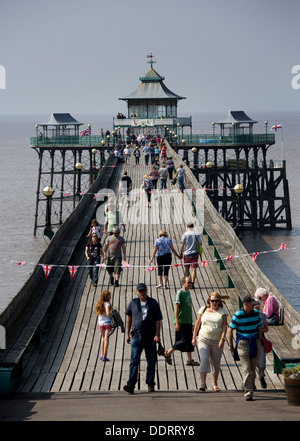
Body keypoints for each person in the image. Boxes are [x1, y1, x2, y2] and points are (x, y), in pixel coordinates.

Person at [123, 282, 162, 394]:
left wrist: (157, 334)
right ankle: (131, 384)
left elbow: (158, 319)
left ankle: (150, 384)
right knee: (134, 361)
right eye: (140, 291)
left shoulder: (153, 303)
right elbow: (129, 318)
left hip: (150, 337)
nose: (142, 293)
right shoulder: (133, 303)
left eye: (143, 291)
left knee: (151, 361)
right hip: (136, 335)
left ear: (146, 291)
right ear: (137, 292)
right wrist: (127, 334)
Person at [228, 294, 262, 401]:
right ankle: (248, 391)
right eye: (252, 305)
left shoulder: (256, 313)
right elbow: (230, 329)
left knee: (252, 368)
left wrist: (259, 340)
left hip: (254, 341)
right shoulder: (238, 315)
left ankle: (246, 384)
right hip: (242, 342)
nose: (254, 306)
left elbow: (259, 327)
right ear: (245, 304)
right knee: (246, 368)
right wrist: (231, 345)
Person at [192, 292, 229, 392]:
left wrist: (222, 339)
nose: (214, 303)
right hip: (203, 338)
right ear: (209, 301)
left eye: (216, 301)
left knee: (215, 363)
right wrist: (194, 337)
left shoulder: (223, 312)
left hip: (217, 340)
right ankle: (202, 384)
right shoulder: (203, 309)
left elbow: (225, 326)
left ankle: (214, 383)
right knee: (204, 359)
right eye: (212, 301)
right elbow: (197, 323)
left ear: (219, 302)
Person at [164, 276, 200, 367]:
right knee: (182, 340)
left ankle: (189, 359)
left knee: (189, 340)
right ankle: (168, 352)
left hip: (188, 320)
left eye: (191, 282)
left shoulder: (188, 293)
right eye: (188, 282)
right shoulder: (179, 293)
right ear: (183, 283)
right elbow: (176, 308)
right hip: (181, 321)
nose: (190, 284)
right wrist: (176, 322)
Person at [180, 222, 202, 289]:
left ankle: (187, 283)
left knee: (186, 268)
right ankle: (192, 283)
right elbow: (200, 244)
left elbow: (182, 245)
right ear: (193, 227)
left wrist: (181, 253)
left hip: (187, 254)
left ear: (187, 227)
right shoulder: (196, 234)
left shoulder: (185, 234)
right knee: (194, 269)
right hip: (195, 253)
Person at [254, 299, 269, 389]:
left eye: (259, 305)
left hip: (260, 340)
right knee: (251, 362)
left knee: (262, 362)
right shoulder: (248, 315)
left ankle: (261, 376)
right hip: (250, 340)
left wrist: (260, 330)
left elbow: (266, 329)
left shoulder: (263, 316)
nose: (257, 306)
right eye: (255, 305)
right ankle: (252, 382)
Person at [94, 290, 112, 361]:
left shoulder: (99, 304)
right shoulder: (107, 304)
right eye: (109, 296)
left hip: (100, 323)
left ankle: (101, 354)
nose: (110, 297)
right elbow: (107, 313)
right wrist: (112, 314)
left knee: (103, 337)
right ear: (106, 297)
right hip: (107, 322)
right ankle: (105, 355)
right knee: (106, 339)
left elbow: (98, 313)